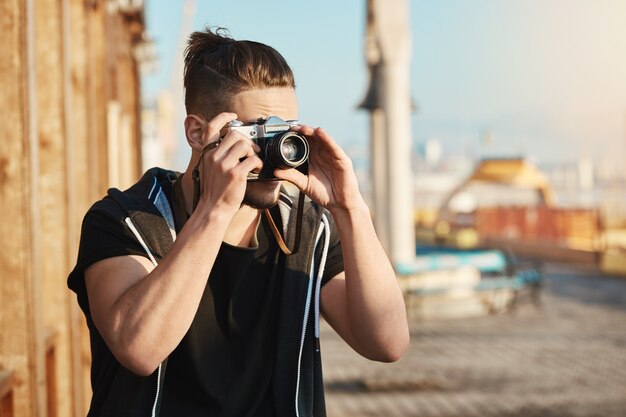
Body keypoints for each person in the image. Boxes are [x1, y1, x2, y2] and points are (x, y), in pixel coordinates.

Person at [68, 27, 409, 417]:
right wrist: (215, 211)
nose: (274, 151)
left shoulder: (305, 230)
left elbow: (387, 343)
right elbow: (139, 348)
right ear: (198, 133)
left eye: (284, 131)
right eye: (258, 131)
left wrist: (350, 209)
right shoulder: (126, 221)